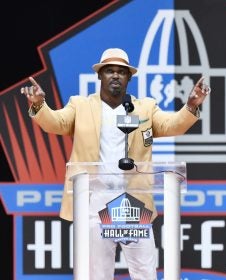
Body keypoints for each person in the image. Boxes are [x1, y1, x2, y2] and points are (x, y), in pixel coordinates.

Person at [20, 48, 210, 280]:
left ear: (129, 77)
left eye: (121, 72)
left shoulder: (145, 109)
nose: (116, 76)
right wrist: (40, 106)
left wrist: (191, 106)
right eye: (109, 71)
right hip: (94, 199)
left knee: (144, 272)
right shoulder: (80, 105)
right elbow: (55, 123)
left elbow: (173, 125)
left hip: (131, 199)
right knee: (97, 274)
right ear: (100, 76)